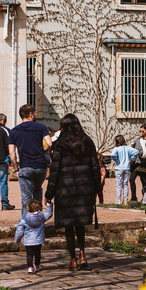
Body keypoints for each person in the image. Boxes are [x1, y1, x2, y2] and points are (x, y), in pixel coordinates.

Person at [45, 113, 102, 271]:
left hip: (65, 189)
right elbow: (94, 166)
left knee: (68, 225)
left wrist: (49, 194)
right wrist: (97, 188)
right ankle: (83, 254)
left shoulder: (60, 144)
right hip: (84, 188)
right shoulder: (87, 141)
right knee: (80, 224)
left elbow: (54, 171)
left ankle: (73, 259)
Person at [8, 104, 52, 216]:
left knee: (26, 199)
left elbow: (12, 153)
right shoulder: (41, 127)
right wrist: (44, 152)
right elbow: (49, 143)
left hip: (25, 165)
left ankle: (26, 223)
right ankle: (38, 220)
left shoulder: (14, 131)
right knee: (37, 190)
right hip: (40, 165)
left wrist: (16, 169)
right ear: (31, 114)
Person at [15, 198, 53, 274]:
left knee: (29, 254)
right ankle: (37, 265)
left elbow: (19, 230)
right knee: (37, 253)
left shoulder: (24, 218)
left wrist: (17, 239)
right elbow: (48, 214)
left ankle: (30, 267)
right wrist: (49, 205)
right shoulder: (41, 216)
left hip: (28, 241)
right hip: (38, 240)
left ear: (28, 208)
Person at [130, 123, 146, 201]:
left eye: (143, 131)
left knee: (143, 180)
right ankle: (134, 197)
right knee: (131, 179)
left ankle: (145, 198)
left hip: (145, 163)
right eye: (140, 131)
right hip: (137, 162)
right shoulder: (140, 138)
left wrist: (141, 141)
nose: (141, 133)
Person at [111, 135, 138, 204]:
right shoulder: (128, 148)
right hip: (127, 168)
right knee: (125, 184)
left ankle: (118, 201)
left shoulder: (116, 149)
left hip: (119, 168)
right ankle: (125, 200)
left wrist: (116, 160)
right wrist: (131, 158)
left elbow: (113, 155)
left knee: (118, 184)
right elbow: (136, 152)